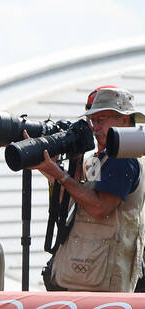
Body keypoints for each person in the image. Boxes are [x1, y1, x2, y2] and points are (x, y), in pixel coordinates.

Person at [36, 85, 145, 293]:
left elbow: (98, 208)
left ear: (124, 119)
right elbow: (79, 203)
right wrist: (51, 170)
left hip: (102, 284)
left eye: (101, 120)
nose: (94, 127)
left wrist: (61, 175)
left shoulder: (123, 158)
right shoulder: (104, 158)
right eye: (93, 120)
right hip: (92, 276)